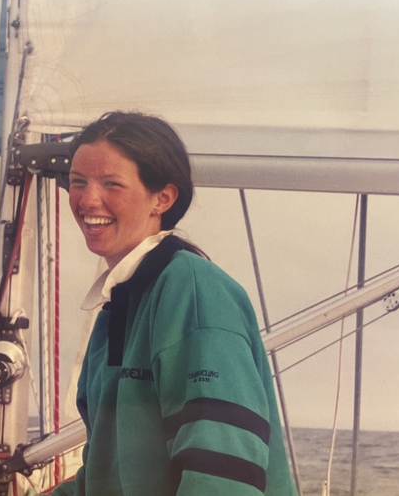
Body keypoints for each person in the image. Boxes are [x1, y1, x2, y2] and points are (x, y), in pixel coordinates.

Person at [52, 111, 296, 495]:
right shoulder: (119, 304)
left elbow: (221, 476)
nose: (87, 199)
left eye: (111, 183)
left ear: (162, 198)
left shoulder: (194, 292)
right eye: (77, 182)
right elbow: (105, 472)